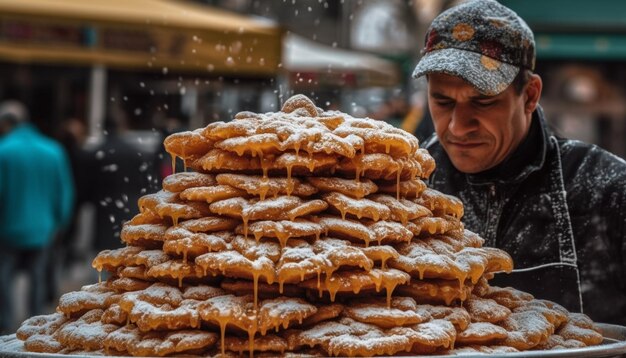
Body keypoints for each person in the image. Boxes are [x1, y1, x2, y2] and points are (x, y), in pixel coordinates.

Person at [413, 0, 626, 324]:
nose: (457, 126)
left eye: (482, 102)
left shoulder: (606, 189)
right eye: (442, 102)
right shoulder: (407, 189)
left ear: (529, 95)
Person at [0, 100, 74, 333]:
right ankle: (35, 327)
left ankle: (5, 326)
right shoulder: (52, 150)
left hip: (7, 228)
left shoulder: (3, 151)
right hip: (43, 228)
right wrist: (59, 223)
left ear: (6, 123)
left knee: (4, 279)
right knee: (37, 279)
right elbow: (65, 192)